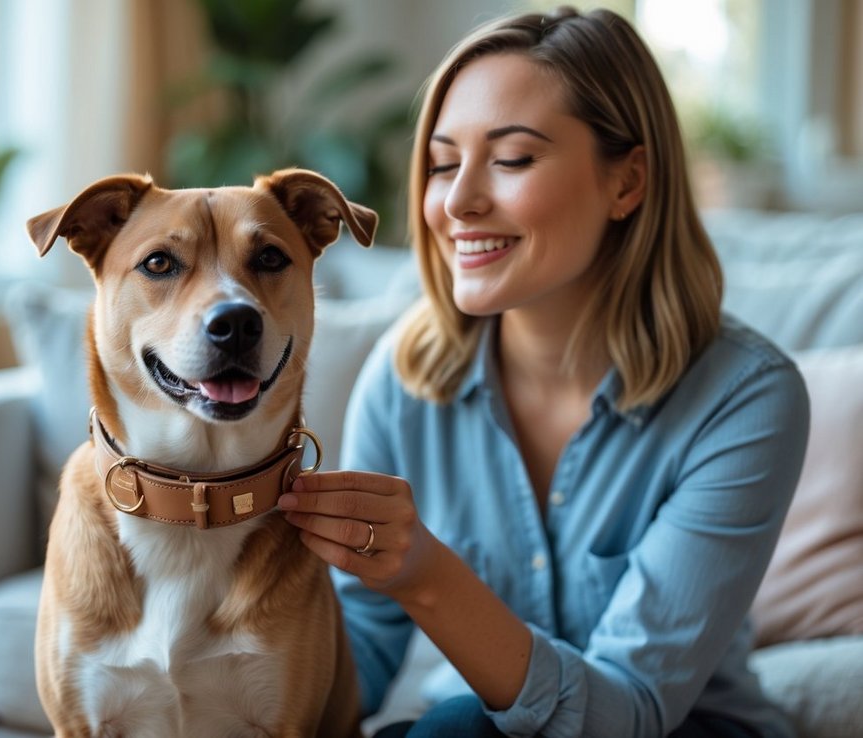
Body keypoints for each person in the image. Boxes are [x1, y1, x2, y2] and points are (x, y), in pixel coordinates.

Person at [277, 6, 809, 737]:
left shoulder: (744, 398)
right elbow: (357, 657)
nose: (456, 202)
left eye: (511, 159)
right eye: (440, 164)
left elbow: (630, 712)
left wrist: (427, 574)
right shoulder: (404, 379)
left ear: (627, 182)